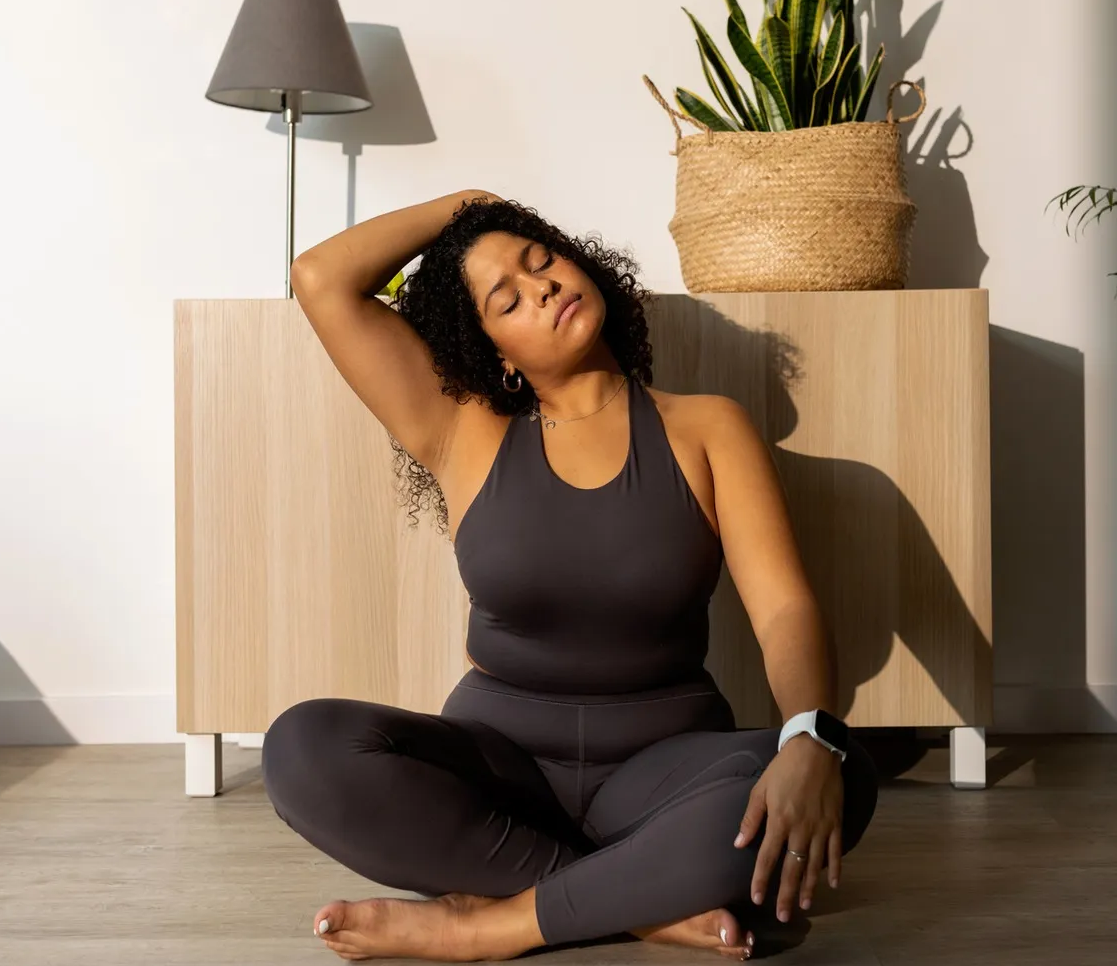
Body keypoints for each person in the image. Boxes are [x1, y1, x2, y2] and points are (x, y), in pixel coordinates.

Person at [261, 190, 878, 962]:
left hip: (663, 771)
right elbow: (321, 279)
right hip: (500, 769)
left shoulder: (707, 426)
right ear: (495, 353)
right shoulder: (461, 431)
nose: (543, 286)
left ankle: (487, 925)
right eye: (507, 298)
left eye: (542, 258)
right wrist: (471, 203)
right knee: (302, 746)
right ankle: (636, 901)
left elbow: (783, 607)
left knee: (844, 776)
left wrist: (808, 737)